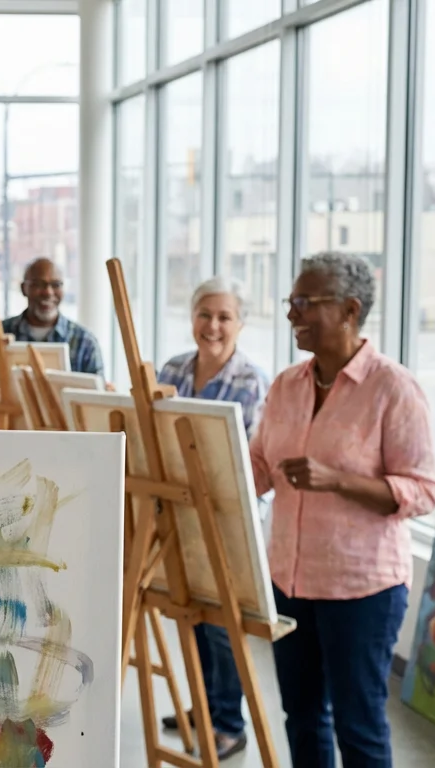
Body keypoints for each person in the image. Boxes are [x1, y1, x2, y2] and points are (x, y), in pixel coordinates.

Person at [250, 252, 435, 767]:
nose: (292, 313)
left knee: (360, 727)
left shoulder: (392, 388)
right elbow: (259, 466)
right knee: (303, 717)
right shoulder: (286, 385)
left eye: (304, 302)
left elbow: (423, 490)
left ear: (350, 309)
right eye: (291, 301)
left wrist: (340, 482)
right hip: (288, 582)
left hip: (362, 591)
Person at [156, 276, 271, 760]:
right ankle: (200, 706)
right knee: (192, 615)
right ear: (192, 317)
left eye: (225, 317)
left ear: (240, 323)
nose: (213, 325)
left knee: (223, 625)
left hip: (228, 518)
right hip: (179, 512)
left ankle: (228, 721)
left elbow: (249, 459)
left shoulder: (252, 380)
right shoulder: (172, 368)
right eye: (206, 314)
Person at [0, 257, 104, 376]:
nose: (48, 292)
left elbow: (98, 392)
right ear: (23, 289)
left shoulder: (84, 341)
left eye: (56, 285)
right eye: (38, 285)